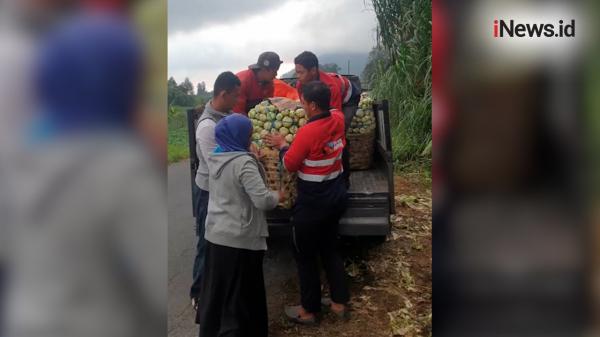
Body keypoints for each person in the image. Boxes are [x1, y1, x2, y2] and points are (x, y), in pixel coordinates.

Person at [264, 81, 350, 325]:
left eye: (302, 102)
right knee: (331, 250)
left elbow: (290, 164)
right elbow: (335, 108)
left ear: (312, 105)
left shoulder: (307, 133)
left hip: (312, 203)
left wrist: (282, 145)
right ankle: (338, 303)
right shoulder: (338, 119)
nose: (301, 107)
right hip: (335, 195)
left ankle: (309, 311)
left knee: (305, 256)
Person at [197, 114, 284, 337]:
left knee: (218, 294)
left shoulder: (217, 156)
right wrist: (278, 195)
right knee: (241, 298)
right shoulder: (244, 163)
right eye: (248, 134)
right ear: (241, 136)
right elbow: (262, 200)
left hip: (216, 234)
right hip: (239, 238)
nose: (251, 137)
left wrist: (251, 158)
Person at [190, 71, 241, 309]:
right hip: (209, 191)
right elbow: (216, 166)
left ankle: (217, 290)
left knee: (221, 242)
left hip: (223, 190)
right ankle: (199, 293)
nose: (237, 100)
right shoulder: (207, 125)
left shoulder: (227, 115)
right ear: (223, 93)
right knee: (206, 242)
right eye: (235, 95)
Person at [294, 51, 361, 128]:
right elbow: (306, 106)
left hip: (350, 97)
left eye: (301, 73)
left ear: (313, 70)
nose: (298, 76)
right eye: (297, 72)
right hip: (336, 94)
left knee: (340, 127)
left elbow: (335, 115)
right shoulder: (300, 85)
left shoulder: (330, 87)